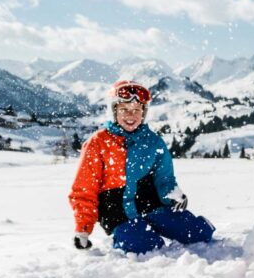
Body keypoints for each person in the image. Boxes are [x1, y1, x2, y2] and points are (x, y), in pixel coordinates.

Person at [69, 80, 215, 254]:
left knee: (199, 234)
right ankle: (131, 234)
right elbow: (84, 189)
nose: (130, 115)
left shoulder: (153, 141)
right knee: (144, 247)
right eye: (124, 109)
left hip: (149, 203)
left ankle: (166, 224)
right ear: (114, 111)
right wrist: (83, 228)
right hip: (115, 210)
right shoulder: (98, 143)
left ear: (143, 113)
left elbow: (164, 177)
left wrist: (173, 194)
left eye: (136, 110)